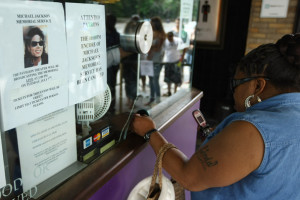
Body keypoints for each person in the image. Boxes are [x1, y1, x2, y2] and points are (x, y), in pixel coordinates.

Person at [132, 33, 300, 199]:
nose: (233, 92)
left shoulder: (254, 129)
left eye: (236, 83)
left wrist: (150, 132)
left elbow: (188, 177)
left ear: (257, 86)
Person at [145, 16, 166, 106]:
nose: (150, 24)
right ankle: (152, 98)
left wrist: (150, 46)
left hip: (157, 60)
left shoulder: (161, 34)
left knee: (155, 80)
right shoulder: (151, 33)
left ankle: (157, 99)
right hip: (150, 58)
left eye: (151, 22)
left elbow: (158, 48)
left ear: (155, 24)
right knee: (150, 80)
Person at [106, 13, 120, 113]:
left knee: (111, 85)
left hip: (113, 65)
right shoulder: (106, 33)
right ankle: (109, 106)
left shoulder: (115, 34)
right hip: (108, 65)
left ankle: (111, 107)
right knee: (109, 86)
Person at [162, 31, 182, 96]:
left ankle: (175, 91)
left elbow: (184, 48)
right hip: (168, 61)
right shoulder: (165, 41)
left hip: (176, 61)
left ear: (173, 36)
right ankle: (169, 91)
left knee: (176, 77)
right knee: (168, 77)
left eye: (171, 38)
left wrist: (182, 57)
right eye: (169, 38)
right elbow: (163, 50)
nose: (170, 39)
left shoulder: (178, 40)